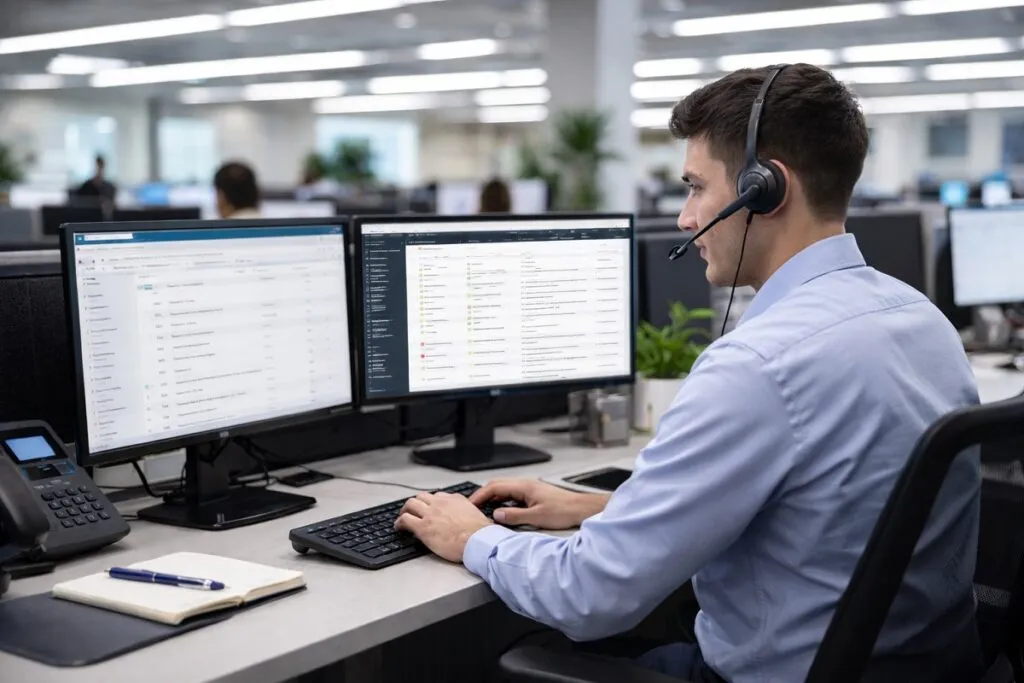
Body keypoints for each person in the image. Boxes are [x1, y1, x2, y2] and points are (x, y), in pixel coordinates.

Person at [394, 63, 983, 683]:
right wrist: (605, 508)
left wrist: (471, 538)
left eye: (696, 187)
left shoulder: (757, 366)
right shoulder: (923, 320)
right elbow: (829, 511)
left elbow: (589, 596)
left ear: (765, 190)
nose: (683, 217)